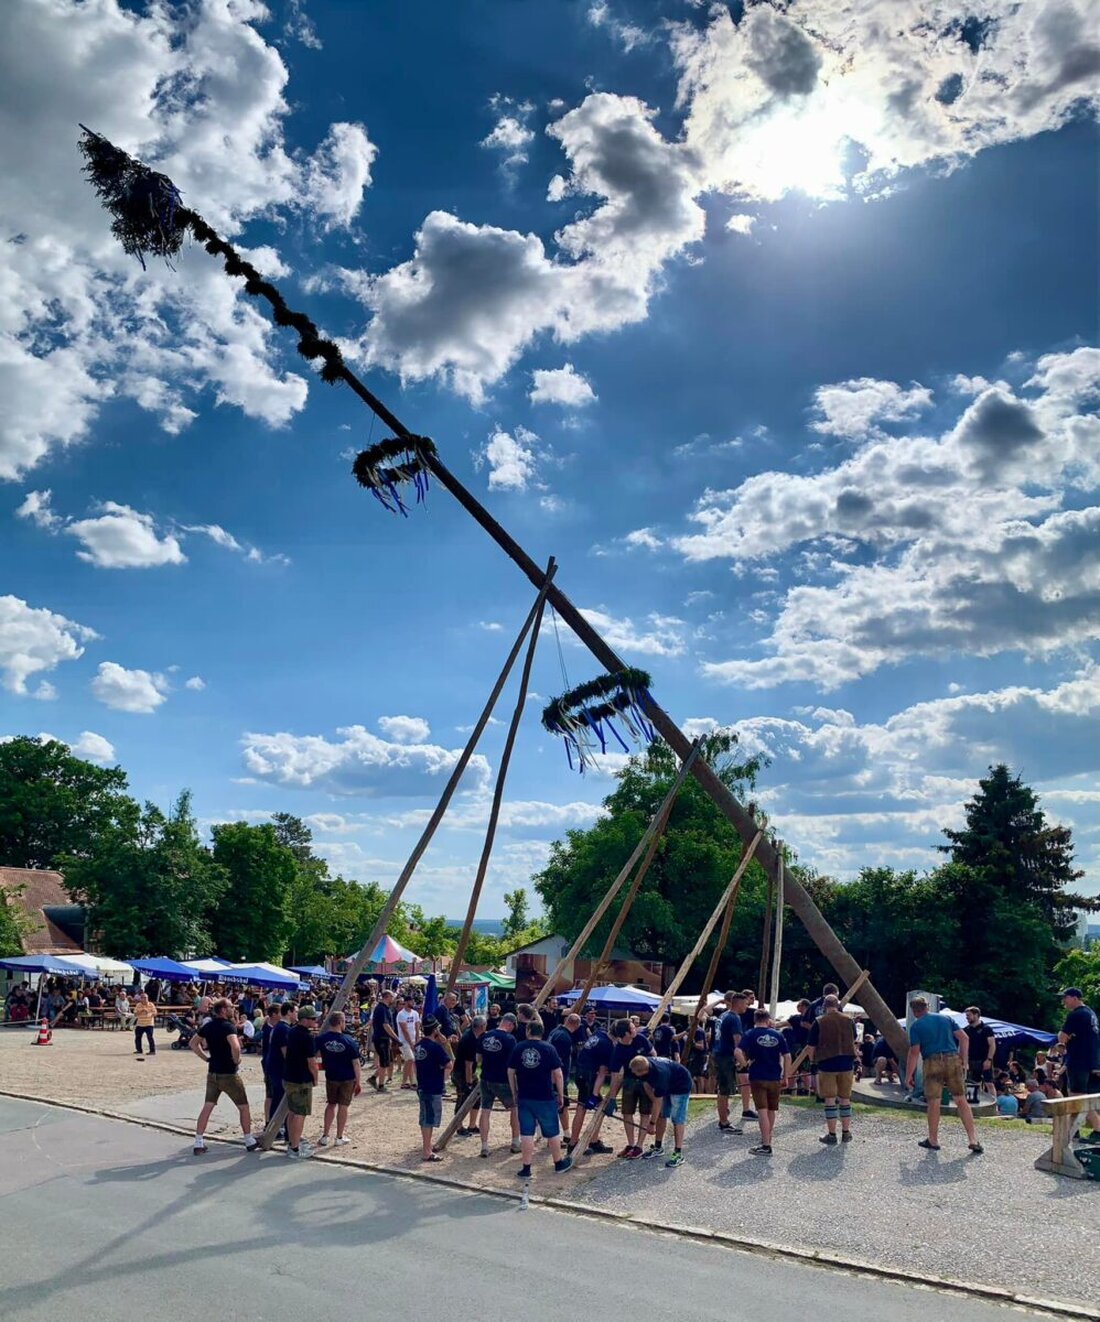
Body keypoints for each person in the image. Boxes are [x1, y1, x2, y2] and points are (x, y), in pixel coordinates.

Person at [905, 997, 983, 1155]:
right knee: (961, 1099)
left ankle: (933, 1140)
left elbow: (914, 1053)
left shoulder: (916, 1026)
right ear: (927, 1006)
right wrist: (962, 1059)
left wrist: (908, 1076)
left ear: (914, 1011)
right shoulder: (946, 1018)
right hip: (952, 1058)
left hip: (932, 1061)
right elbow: (964, 1038)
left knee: (934, 1101)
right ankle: (973, 1139)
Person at [190, 998, 258, 1154]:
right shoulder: (228, 1027)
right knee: (243, 1107)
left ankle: (198, 1142)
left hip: (213, 1072)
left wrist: (206, 1058)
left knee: (208, 1106)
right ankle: (249, 1140)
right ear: (223, 1010)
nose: (233, 1009)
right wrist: (236, 1059)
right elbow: (235, 1046)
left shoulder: (208, 1026)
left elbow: (193, 1043)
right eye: (230, 1007)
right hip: (228, 1073)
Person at [508, 1014, 572, 1179]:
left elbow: (511, 1071)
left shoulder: (519, 1047)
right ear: (542, 1032)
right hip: (544, 1095)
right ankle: (558, 1163)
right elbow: (558, 1074)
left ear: (528, 1031)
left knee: (527, 1133)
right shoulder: (549, 1048)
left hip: (525, 1095)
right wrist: (561, 1094)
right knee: (552, 1131)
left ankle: (526, 1167)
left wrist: (514, 1090)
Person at [736, 1009, 792, 1155]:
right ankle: (768, 1137)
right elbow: (787, 1056)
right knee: (771, 1109)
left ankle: (765, 1144)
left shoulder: (750, 1034)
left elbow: (737, 1052)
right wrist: (786, 1076)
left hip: (757, 1076)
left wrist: (745, 1065)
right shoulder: (778, 1035)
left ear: (755, 1020)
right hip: (774, 1076)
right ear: (768, 1020)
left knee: (762, 1110)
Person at [808, 993, 857, 1145]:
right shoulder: (849, 1020)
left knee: (830, 1099)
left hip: (827, 1064)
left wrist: (812, 1062)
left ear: (823, 1007)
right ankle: (846, 1132)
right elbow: (854, 1038)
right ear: (838, 1006)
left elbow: (811, 1047)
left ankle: (831, 1134)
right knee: (845, 1098)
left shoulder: (819, 1022)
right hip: (847, 1063)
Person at [630, 1054, 693, 1167]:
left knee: (677, 1119)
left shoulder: (659, 1074)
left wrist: (652, 1124)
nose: (634, 1074)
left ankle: (678, 1153)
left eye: (635, 1073)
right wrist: (654, 1099)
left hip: (681, 1085)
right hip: (668, 1085)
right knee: (662, 1115)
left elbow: (657, 1103)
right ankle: (658, 1147)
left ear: (644, 1070)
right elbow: (647, 1086)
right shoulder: (644, 1064)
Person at [1057, 987, 1100, 1140]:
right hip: (1092, 1061)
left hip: (1078, 1061)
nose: (1063, 1001)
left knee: (1078, 1098)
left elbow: (1062, 1037)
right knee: (1079, 1097)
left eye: (1065, 998)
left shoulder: (1076, 1014)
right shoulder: (1090, 1013)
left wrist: (1064, 1041)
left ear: (1075, 998)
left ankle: (1098, 1129)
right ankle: (1073, 1131)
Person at [477, 1012, 521, 1156]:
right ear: (510, 1024)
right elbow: (514, 1063)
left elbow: (478, 1058)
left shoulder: (484, 1036)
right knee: (514, 1109)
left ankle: (484, 1146)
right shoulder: (510, 1039)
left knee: (485, 1110)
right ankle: (515, 1142)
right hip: (503, 1080)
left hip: (485, 1078)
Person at [569, 1011, 613, 1154]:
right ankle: (573, 1143)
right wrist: (594, 1095)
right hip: (587, 1076)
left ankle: (594, 1141)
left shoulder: (600, 1033)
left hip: (582, 1072)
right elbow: (601, 1074)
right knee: (582, 1108)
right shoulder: (607, 1046)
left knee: (600, 1106)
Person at [316, 1010, 362, 1147]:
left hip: (331, 1076)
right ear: (341, 1022)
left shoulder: (321, 1039)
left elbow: (316, 1056)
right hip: (347, 1078)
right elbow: (356, 1064)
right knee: (343, 1106)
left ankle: (325, 1135)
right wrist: (358, 1082)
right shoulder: (349, 1041)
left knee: (330, 1104)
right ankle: (339, 1136)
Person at [283, 1004, 321, 1159]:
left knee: (292, 1112)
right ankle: (295, 1148)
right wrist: (316, 1079)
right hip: (301, 1079)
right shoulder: (307, 1037)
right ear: (305, 1020)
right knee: (300, 1113)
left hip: (289, 1076)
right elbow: (312, 1062)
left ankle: (292, 1143)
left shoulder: (291, 1031)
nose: (315, 1020)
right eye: (313, 1018)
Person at [415, 1017, 452, 1161]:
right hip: (433, 1087)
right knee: (429, 1120)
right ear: (435, 1029)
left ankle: (427, 1148)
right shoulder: (435, 1047)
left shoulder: (419, 1046)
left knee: (424, 1117)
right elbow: (449, 1064)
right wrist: (442, 1080)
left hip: (422, 1084)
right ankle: (426, 1151)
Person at [712, 991, 747, 1134]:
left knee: (723, 1088)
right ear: (738, 1003)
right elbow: (738, 1042)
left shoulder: (723, 1015)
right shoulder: (734, 1018)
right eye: (745, 1003)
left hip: (718, 1053)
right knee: (724, 1090)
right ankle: (724, 1122)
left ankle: (723, 1117)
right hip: (725, 1056)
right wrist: (743, 1061)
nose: (746, 1006)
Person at [452, 1014, 484, 1136]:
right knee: (463, 1098)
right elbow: (468, 1065)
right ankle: (458, 1126)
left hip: (470, 1072)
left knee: (477, 1098)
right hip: (461, 1074)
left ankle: (472, 1125)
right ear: (481, 1026)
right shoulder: (469, 1039)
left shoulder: (476, 1036)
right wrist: (469, 1082)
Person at [548, 1013, 579, 1130]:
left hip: (553, 1075)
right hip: (557, 1077)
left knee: (562, 1106)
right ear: (576, 1025)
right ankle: (558, 1134)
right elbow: (556, 1062)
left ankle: (565, 1133)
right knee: (561, 1105)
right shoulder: (564, 1038)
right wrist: (556, 1082)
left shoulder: (555, 1031)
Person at [963, 1006, 997, 1101]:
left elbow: (992, 1045)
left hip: (984, 1059)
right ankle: (975, 1102)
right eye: (966, 1016)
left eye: (969, 1015)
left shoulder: (986, 1029)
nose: (967, 1018)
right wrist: (965, 1061)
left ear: (976, 1015)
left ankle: (994, 1105)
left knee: (989, 1083)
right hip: (971, 1060)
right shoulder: (966, 1030)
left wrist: (989, 1059)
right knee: (973, 1083)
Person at [370, 990, 400, 1091]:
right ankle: (381, 1085)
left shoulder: (384, 1008)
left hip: (383, 1038)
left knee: (386, 1061)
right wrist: (395, 1038)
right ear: (387, 997)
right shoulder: (382, 1009)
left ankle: (373, 1078)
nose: (393, 999)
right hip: (382, 1038)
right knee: (384, 1062)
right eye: (392, 997)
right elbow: (386, 1025)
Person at [396, 995, 421, 1090]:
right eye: (411, 1001)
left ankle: (413, 1082)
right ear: (406, 1002)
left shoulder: (415, 1013)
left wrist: (417, 1039)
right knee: (410, 1059)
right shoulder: (401, 1014)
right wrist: (411, 1043)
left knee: (413, 1061)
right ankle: (404, 1082)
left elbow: (417, 1027)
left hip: (414, 1039)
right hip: (404, 1041)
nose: (413, 1003)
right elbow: (404, 1030)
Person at [133, 991, 156, 1057]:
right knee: (138, 1037)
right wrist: (141, 1011)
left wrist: (149, 1012)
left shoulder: (151, 1004)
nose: (145, 999)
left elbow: (155, 1013)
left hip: (149, 1024)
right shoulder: (138, 1005)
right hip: (140, 1024)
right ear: (141, 998)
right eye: (143, 997)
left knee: (150, 1037)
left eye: (146, 997)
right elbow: (135, 1014)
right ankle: (139, 1050)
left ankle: (152, 1051)